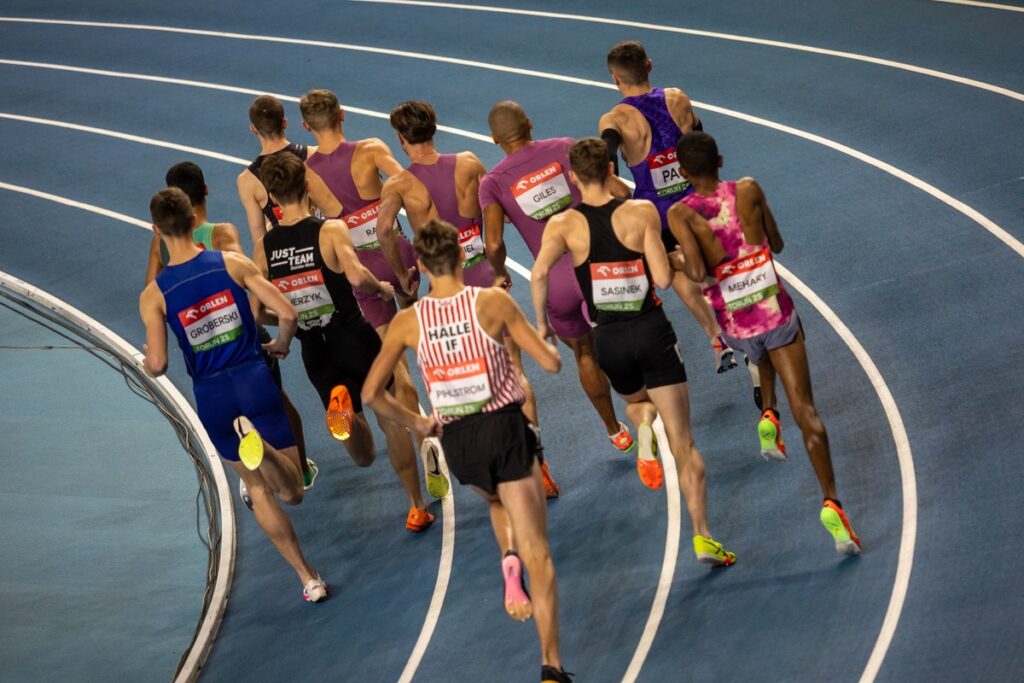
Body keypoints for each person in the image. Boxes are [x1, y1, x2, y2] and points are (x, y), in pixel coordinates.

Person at [363, 219, 572, 683]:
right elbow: (551, 363)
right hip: (504, 427)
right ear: (461, 257)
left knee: (497, 500)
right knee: (540, 549)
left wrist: (420, 423)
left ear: (419, 265)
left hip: (459, 442)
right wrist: (528, 355)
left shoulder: (407, 320)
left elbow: (371, 394)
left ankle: (506, 559)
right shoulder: (492, 301)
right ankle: (551, 665)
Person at [532, 138, 735, 567]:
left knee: (638, 405)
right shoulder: (640, 212)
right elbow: (662, 279)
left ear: (572, 177)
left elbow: (537, 273)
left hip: (607, 340)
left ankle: (642, 430)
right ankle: (702, 537)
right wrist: (676, 260)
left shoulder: (562, 225)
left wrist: (541, 324)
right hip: (650, 330)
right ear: (610, 168)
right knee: (684, 444)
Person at [668, 132, 860, 555]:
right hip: (775, 309)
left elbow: (700, 273)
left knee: (758, 349)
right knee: (806, 409)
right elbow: (777, 243)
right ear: (720, 159)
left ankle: (767, 413)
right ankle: (832, 503)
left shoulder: (681, 213)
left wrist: (680, 260)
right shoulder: (749, 189)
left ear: (682, 173)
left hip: (735, 321)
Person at [139, 187, 327, 602]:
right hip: (254, 379)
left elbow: (158, 364)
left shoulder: (154, 294)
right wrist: (280, 344)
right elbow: (290, 313)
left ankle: (307, 578)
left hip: (212, 396)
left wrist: (145, 365)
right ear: (194, 220)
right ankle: (264, 446)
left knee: (258, 492)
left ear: (156, 230)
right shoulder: (232, 263)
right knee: (293, 492)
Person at [376, 100, 560, 498]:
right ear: (434, 129)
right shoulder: (470, 162)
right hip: (482, 276)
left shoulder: (399, 184)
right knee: (514, 374)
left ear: (401, 138)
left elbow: (384, 230)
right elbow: (496, 211)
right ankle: (538, 463)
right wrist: (498, 267)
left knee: (465, 374)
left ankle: (487, 466)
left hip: (445, 286)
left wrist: (403, 275)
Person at [255, 152, 446, 532]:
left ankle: (342, 408)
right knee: (391, 416)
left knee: (362, 454)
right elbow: (357, 277)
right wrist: (383, 286)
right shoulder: (329, 231)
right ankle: (415, 504)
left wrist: (290, 322)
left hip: (316, 352)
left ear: (273, 199)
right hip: (353, 334)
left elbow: (258, 310)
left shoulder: (266, 247)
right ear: (307, 187)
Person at [145, 161, 316, 503]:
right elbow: (244, 276)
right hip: (245, 338)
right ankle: (300, 467)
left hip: (207, 355)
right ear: (204, 191)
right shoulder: (221, 234)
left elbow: (152, 287)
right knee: (276, 402)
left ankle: (254, 478)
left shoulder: (160, 246)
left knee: (237, 418)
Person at [480, 100, 634, 454]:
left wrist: (501, 272)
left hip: (555, 281)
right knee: (626, 333)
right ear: (530, 123)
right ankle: (644, 406)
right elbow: (612, 188)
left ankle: (614, 430)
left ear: (493, 139)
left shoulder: (492, 184)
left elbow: (492, 242)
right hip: (595, 263)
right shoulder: (565, 147)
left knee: (584, 355)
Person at [599, 40, 738, 375]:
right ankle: (739, 320)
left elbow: (607, 157)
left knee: (677, 272)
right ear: (649, 65)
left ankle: (717, 337)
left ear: (615, 79)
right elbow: (702, 142)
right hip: (696, 202)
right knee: (715, 265)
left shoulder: (615, 118)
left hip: (657, 215)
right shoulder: (678, 98)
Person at [298, 89, 425, 443]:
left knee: (394, 361)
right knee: (419, 330)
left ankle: (420, 438)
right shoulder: (370, 149)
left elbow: (308, 222)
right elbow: (409, 182)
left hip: (361, 271)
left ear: (306, 126)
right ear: (342, 115)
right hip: (398, 251)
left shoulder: (306, 173)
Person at [237, 95, 341, 245]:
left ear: (253, 128)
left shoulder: (247, 180)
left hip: (285, 252)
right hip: (324, 241)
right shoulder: (314, 154)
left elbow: (258, 234)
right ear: (284, 123)